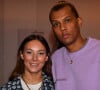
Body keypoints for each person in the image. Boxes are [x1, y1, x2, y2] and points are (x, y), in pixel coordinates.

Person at [49, 0, 100, 90]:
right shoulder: (55, 58)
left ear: (79, 22)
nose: (62, 28)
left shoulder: (98, 50)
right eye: (56, 24)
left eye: (67, 20)